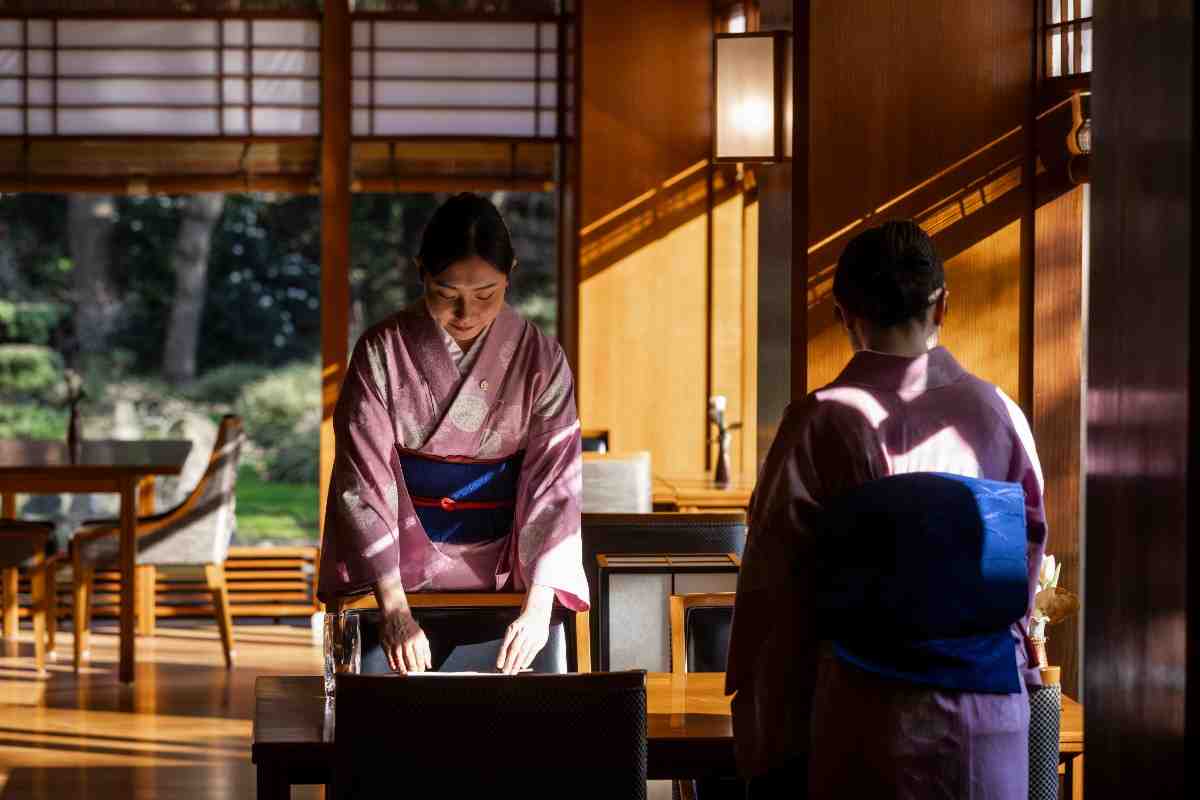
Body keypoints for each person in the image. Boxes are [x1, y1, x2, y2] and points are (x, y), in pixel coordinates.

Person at [726, 220, 1047, 798]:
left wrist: (766, 731)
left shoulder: (819, 421)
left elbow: (776, 590)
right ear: (943, 306)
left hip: (866, 711)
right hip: (987, 711)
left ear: (843, 313)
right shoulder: (1001, 414)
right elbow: (1024, 568)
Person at [317, 193, 589, 675]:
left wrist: (539, 607)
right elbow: (361, 484)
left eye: (486, 294)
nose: (466, 312)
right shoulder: (382, 351)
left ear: (510, 275)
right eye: (446, 293)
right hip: (399, 572)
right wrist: (395, 610)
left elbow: (557, 487)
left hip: (509, 576)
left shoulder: (541, 360)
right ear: (421, 271)